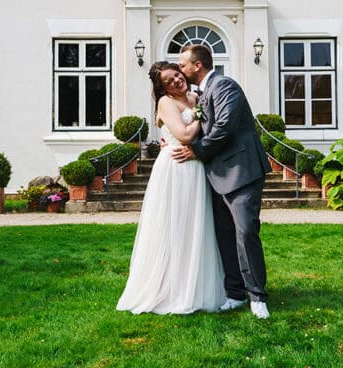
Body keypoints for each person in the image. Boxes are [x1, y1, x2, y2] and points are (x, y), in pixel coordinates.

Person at [116, 61, 226, 314]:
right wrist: (198, 111)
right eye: (168, 81)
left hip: (195, 166)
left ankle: (197, 285)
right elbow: (185, 135)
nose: (176, 80)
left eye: (177, 75)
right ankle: (171, 288)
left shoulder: (194, 95)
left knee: (196, 224)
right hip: (176, 167)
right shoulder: (166, 103)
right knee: (175, 224)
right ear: (162, 87)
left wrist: (197, 105)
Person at [170, 44, 272, 319]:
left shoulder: (225, 85)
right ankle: (235, 293)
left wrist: (196, 150)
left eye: (183, 65)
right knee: (225, 235)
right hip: (217, 174)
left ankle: (257, 297)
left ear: (198, 66)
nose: (180, 69)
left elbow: (224, 127)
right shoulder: (202, 93)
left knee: (246, 232)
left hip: (242, 171)